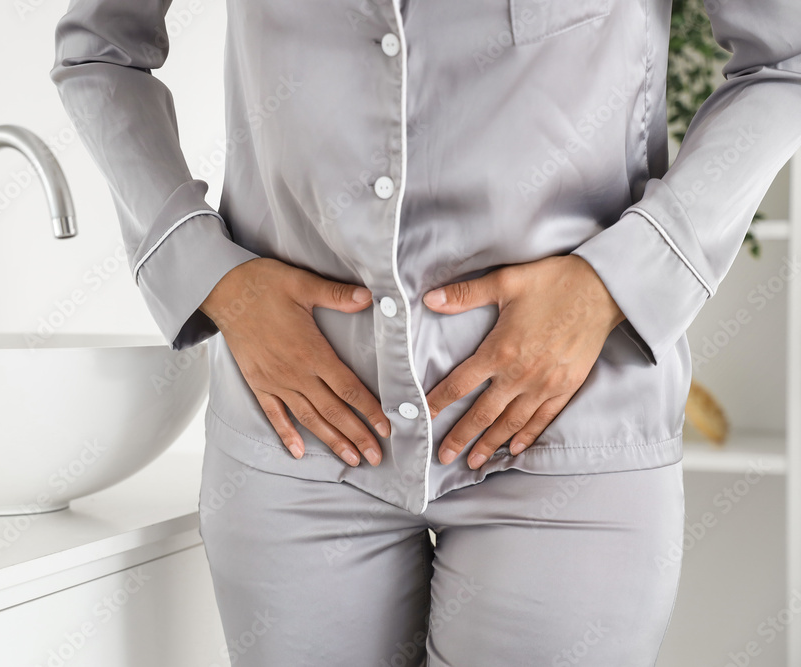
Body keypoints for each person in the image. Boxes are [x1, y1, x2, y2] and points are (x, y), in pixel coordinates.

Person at [50, 0, 801, 664]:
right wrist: (211, 273)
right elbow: (99, 50)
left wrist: (617, 280)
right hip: (295, 441)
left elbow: (784, 59)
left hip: (569, 427)